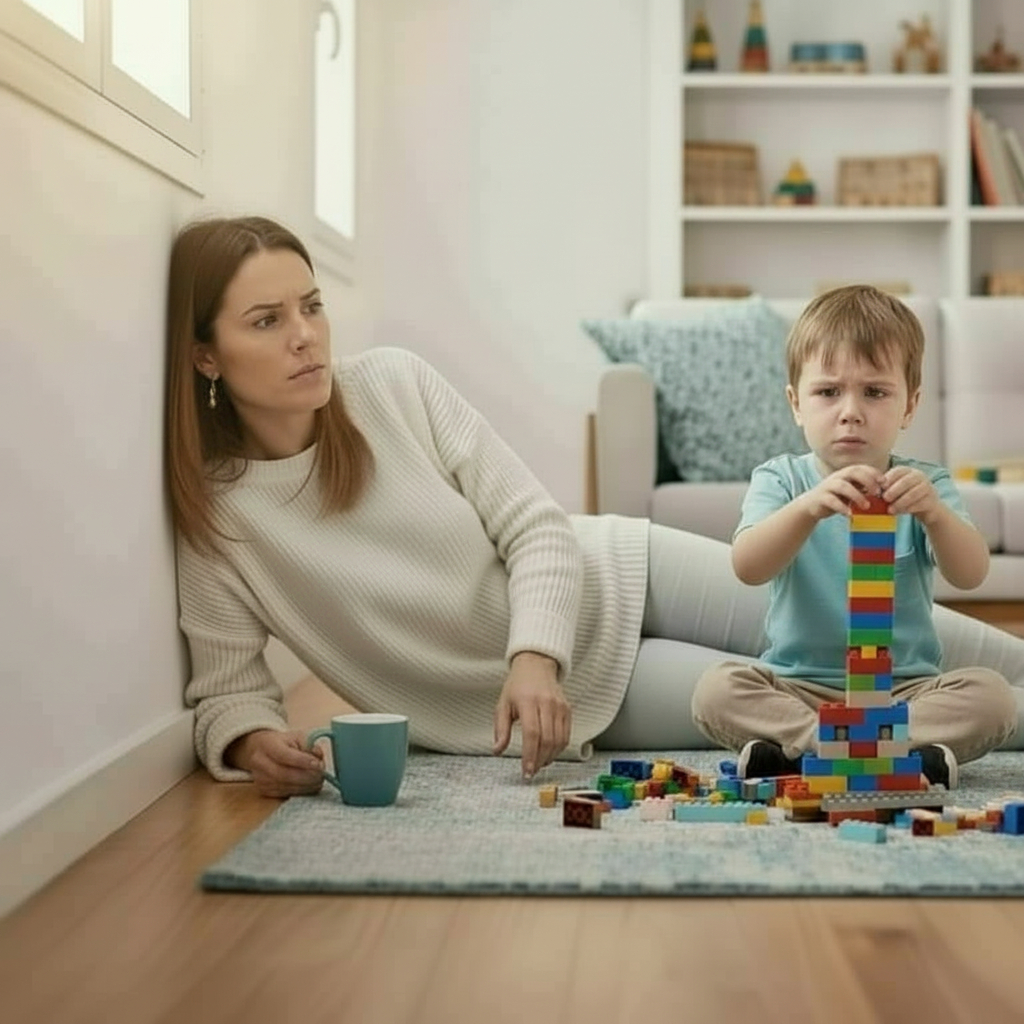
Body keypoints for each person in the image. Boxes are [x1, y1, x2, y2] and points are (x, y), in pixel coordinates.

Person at [166, 217, 1022, 800]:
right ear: (206, 355)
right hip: (573, 690)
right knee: (786, 706)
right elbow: (227, 688)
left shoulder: (390, 383)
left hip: (614, 571)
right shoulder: (221, 518)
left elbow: (535, 524)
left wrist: (531, 653)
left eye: (311, 306)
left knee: (951, 651)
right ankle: (921, 750)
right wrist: (247, 744)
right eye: (267, 320)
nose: (307, 336)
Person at [691, 285, 1018, 788]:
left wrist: (934, 513)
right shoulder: (780, 480)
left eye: (875, 392)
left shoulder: (925, 485)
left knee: (993, 697)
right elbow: (747, 565)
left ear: (908, 406)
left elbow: (971, 573)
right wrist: (807, 508)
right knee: (715, 691)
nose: (851, 411)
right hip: (800, 687)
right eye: (828, 392)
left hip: (902, 691)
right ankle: (872, 753)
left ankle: (806, 754)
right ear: (796, 404)